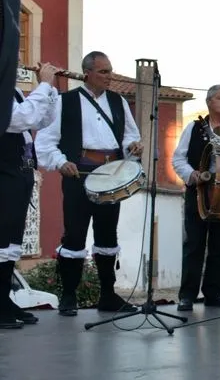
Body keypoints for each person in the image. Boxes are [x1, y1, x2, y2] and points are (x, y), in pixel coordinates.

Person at [35, 51, 142, 316]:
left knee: (108, 234)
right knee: (74, 234)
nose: (109, 76)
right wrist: (61, 162)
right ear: (87, 74)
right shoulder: (65, 101)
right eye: (103, 72)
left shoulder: (118, 101)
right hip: (78, 174)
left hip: (111, 174)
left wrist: (132, 146)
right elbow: (46, 141)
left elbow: (129, 135)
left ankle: (108, 295)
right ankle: (68, 296)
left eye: (110, 71)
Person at [171, 85, 220, 312]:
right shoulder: (194, 128)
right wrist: (192, 175)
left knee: (219, 246)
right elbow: (178, 159)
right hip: (199, 192)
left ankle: (214, 293)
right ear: (209, 102)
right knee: (194, 244)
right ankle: (187, 295)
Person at [0, 63, 60, 329]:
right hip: (4, 172)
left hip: (19, 172)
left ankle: (4, 299)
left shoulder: (11, 90)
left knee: (12, 242)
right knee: (2, 242)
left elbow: (41, 120)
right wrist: (44, 85)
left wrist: (50, 89)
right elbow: (19, 119)